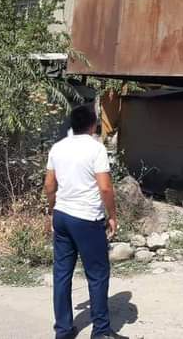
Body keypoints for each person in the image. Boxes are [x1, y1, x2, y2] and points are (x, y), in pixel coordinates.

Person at [44, 104, 119, 339]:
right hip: (87, 219)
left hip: (62, 216)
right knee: (97, 274)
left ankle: (63, 330)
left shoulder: (58, 147)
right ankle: (101, 331)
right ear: (93, 125)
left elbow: (49, 186)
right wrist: (112, 215)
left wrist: (52, 209)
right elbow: (105, 188)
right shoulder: (96, 149)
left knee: (62, 274)